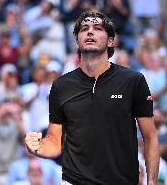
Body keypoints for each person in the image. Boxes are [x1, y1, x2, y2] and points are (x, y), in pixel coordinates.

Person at [25, 12, 159, 185]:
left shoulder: (133, 81)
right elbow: (54, 142)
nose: (90, 32)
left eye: (97, 28)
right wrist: (37, 147)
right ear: (77, 41)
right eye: (84, 29)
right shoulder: (61, 86)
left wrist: (152, 182)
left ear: (111, 41)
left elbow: (150, 137)